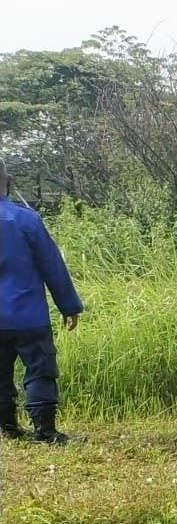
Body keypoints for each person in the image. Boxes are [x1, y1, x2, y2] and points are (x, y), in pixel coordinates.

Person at [0, 159, 84, 444]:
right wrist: (69, 305)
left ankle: (7, 426)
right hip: (27, 315)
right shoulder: (26, 220)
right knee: (39, 370)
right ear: (8, 181)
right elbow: (52, 266)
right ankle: (45, 430)